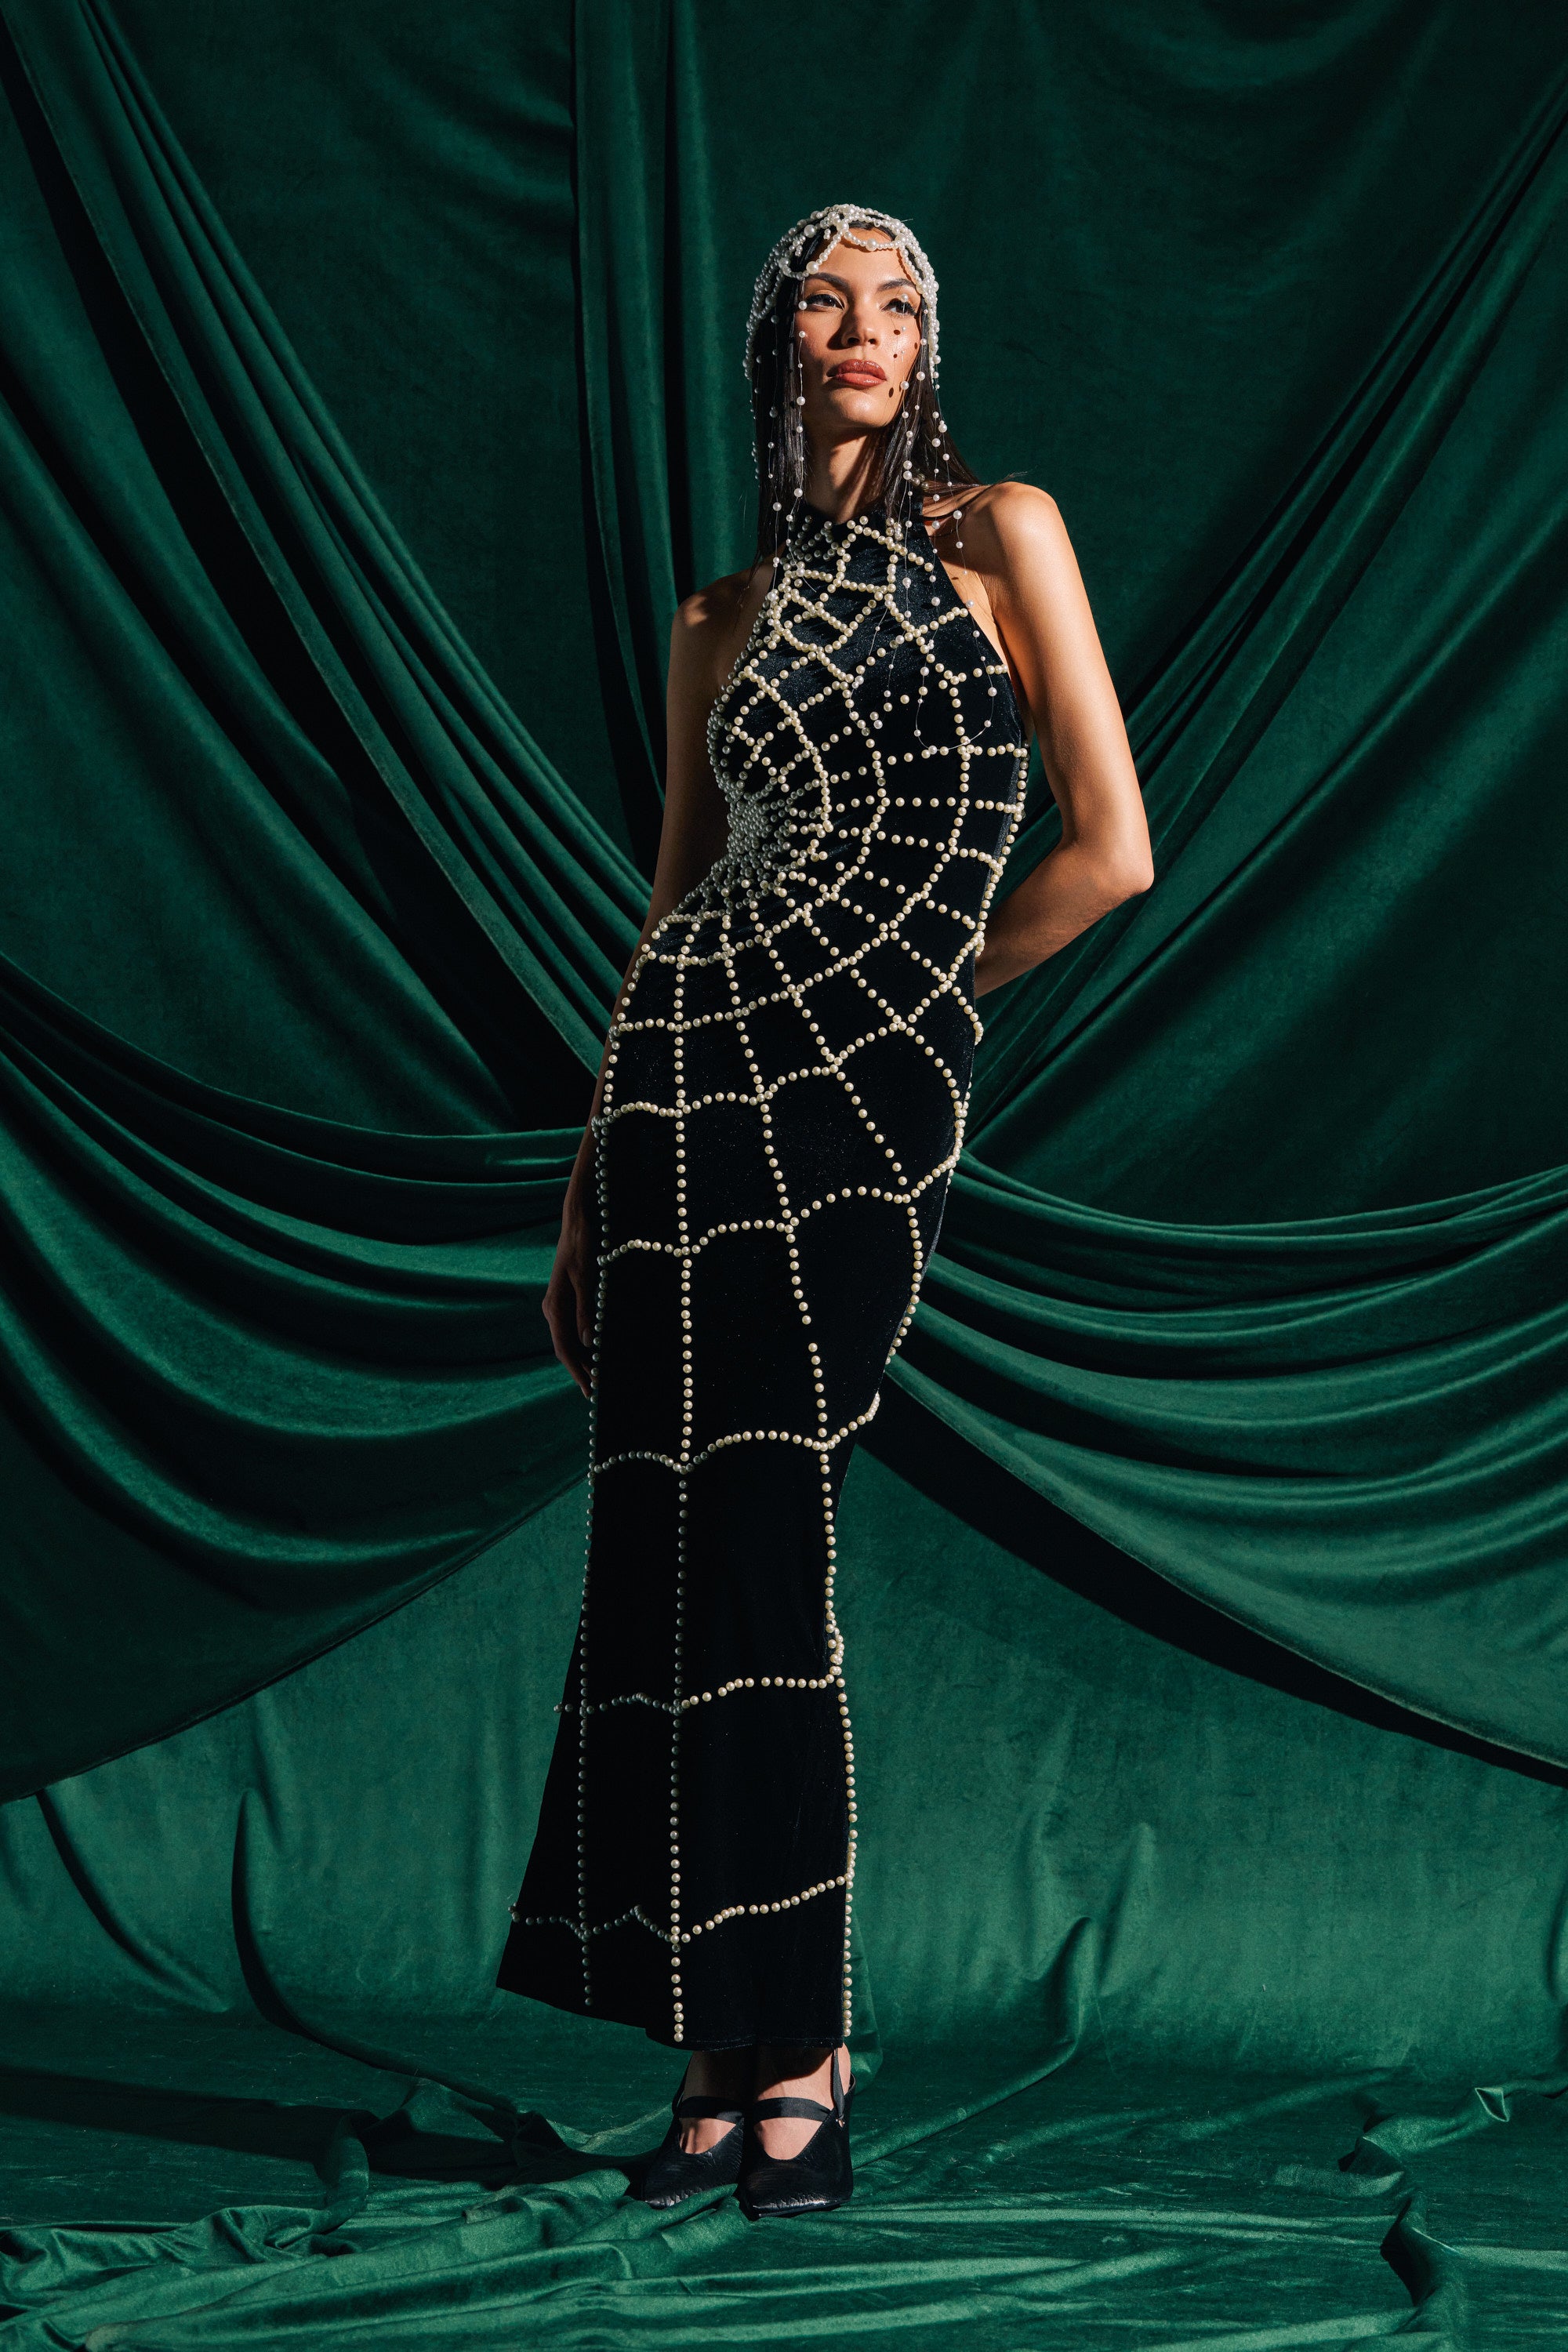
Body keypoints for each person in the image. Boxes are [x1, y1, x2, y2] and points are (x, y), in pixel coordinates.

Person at [498, 203, 1152, 2219]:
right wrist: (585, 1187)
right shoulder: (719, 614)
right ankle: (716, 2049)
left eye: (897, 304)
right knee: (670, 1551)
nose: (861, 329)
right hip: (681, 1074)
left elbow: (1109, 851)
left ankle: (803, 2045)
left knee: (770, 1537)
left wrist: (911, 995)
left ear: (927, 345)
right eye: (823, 300)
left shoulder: (1002, 536)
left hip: (855, 1085)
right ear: (775, 341)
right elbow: (671, 900)